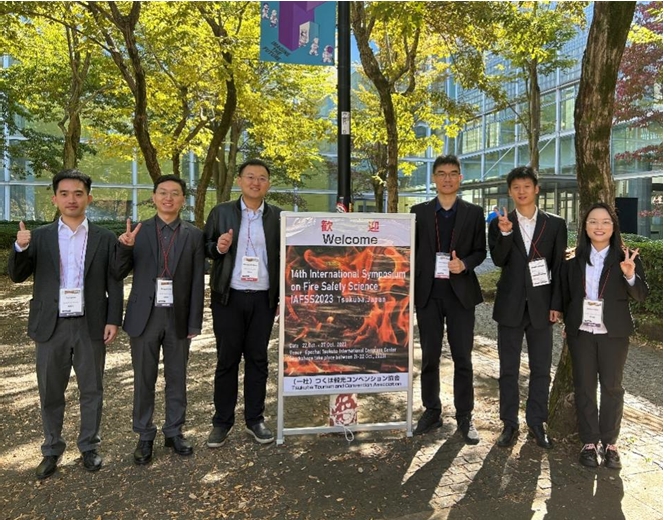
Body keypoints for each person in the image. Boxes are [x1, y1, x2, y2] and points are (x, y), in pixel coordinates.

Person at [8, 169, 123, 479]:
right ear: (55, 199)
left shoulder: (104, 237)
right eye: (64, 193)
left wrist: (113, 319)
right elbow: (17, 276)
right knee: (50, 390)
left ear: (89, 198)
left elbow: (114, 281)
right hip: (51, 325)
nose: (72, 199)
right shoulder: (40, 236)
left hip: (91, 323)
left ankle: (89, 447)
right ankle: (51, 449)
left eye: (78, 193)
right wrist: (20, 248)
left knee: (92, 389)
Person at [112, 175, 205, 465]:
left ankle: (174, 430)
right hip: (145, 316)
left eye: (175, 193)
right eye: (162, 192)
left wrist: (195, 322)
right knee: (144, 378)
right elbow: (117, 272)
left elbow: (198, 282)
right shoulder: (137, 232)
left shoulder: (194, 235)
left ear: (183, 200)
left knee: (177, 376)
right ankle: (144, 434)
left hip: (178, 316)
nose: (168, 198)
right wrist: (125, 247)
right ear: (153, 197)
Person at [561, 202, 648, 469]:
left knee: (612, 387)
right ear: (585, 227)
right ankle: (589, 442)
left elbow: (641, 295)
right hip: (582, 333)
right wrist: (568, 321)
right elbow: (565, 295)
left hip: (614, 333)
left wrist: (630, 275)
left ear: (613, 227)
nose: (599, 227)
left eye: (605, 222)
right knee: (585, 387)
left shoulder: (626, 256)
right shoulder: (572, 258)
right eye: (593, 222)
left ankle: (610, 443)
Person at [204, 159, 282, 446]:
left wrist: (281, 296)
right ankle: (222, 422)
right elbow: (206, 247)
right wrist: (218, 247)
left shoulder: (278, 217)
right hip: (229, 296)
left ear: (268, 184)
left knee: (258, 359)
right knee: (227, 360)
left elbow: (286, 256)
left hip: (263, 298)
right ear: (239, 180)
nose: (255, 182)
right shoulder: (221, 212)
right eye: (250, 176)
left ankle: (255, 419)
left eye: (262, 177)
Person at [488, 166, 567, 449]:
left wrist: (557, 304)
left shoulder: (555, 224)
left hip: (542, 307)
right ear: (510, 191)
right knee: (508, 368)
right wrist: (505, 234)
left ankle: (537, 422)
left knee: (541, 368)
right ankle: (509, 423)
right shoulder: (500, 222)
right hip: (509, 305)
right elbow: (498, 260)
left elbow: (559, 267)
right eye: (516, 187)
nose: (521, 192)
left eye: (526, 186)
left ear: (536, 189)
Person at [410, 154, 487, 443]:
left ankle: (464, 415)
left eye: (453, 173)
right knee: (429, 358)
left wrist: (464, 264)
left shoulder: (473, 212)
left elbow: (480, 251)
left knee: (462, 358)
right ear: (433, 178)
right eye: (441, 173)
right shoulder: (417, 213)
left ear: (460, 178)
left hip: (460, 296)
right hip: (428, 295)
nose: (447, 178)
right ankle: (432, 410)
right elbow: (408, 251)